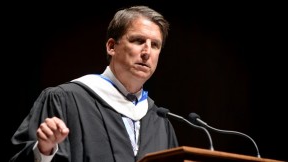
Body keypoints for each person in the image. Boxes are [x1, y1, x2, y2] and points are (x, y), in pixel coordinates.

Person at [9, 5, 179, 162]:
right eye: (138, 41)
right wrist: (43, 151)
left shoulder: (160, 121)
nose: (147, 52)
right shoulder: (65, 100)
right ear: (111, 47)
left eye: (155, 45)